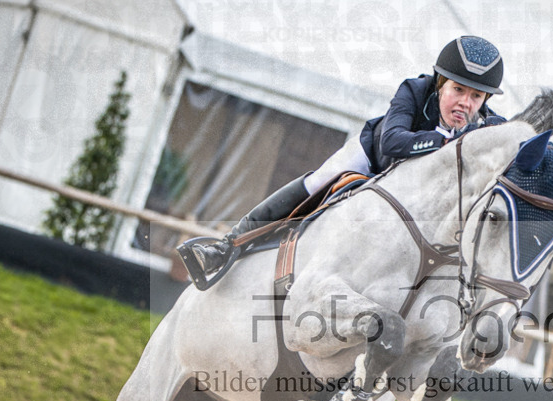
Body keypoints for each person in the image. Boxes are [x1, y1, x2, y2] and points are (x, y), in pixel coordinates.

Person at [184, 35, 507, 278]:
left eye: (476, 96)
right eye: (457, 90)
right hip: (372, 160)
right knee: (316, 182)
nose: (465, 103)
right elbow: (393, 142)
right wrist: (444, 141)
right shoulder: (413, 90)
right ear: (439, 85)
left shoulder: (487, 129)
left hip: (414, 198)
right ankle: (227, 245)